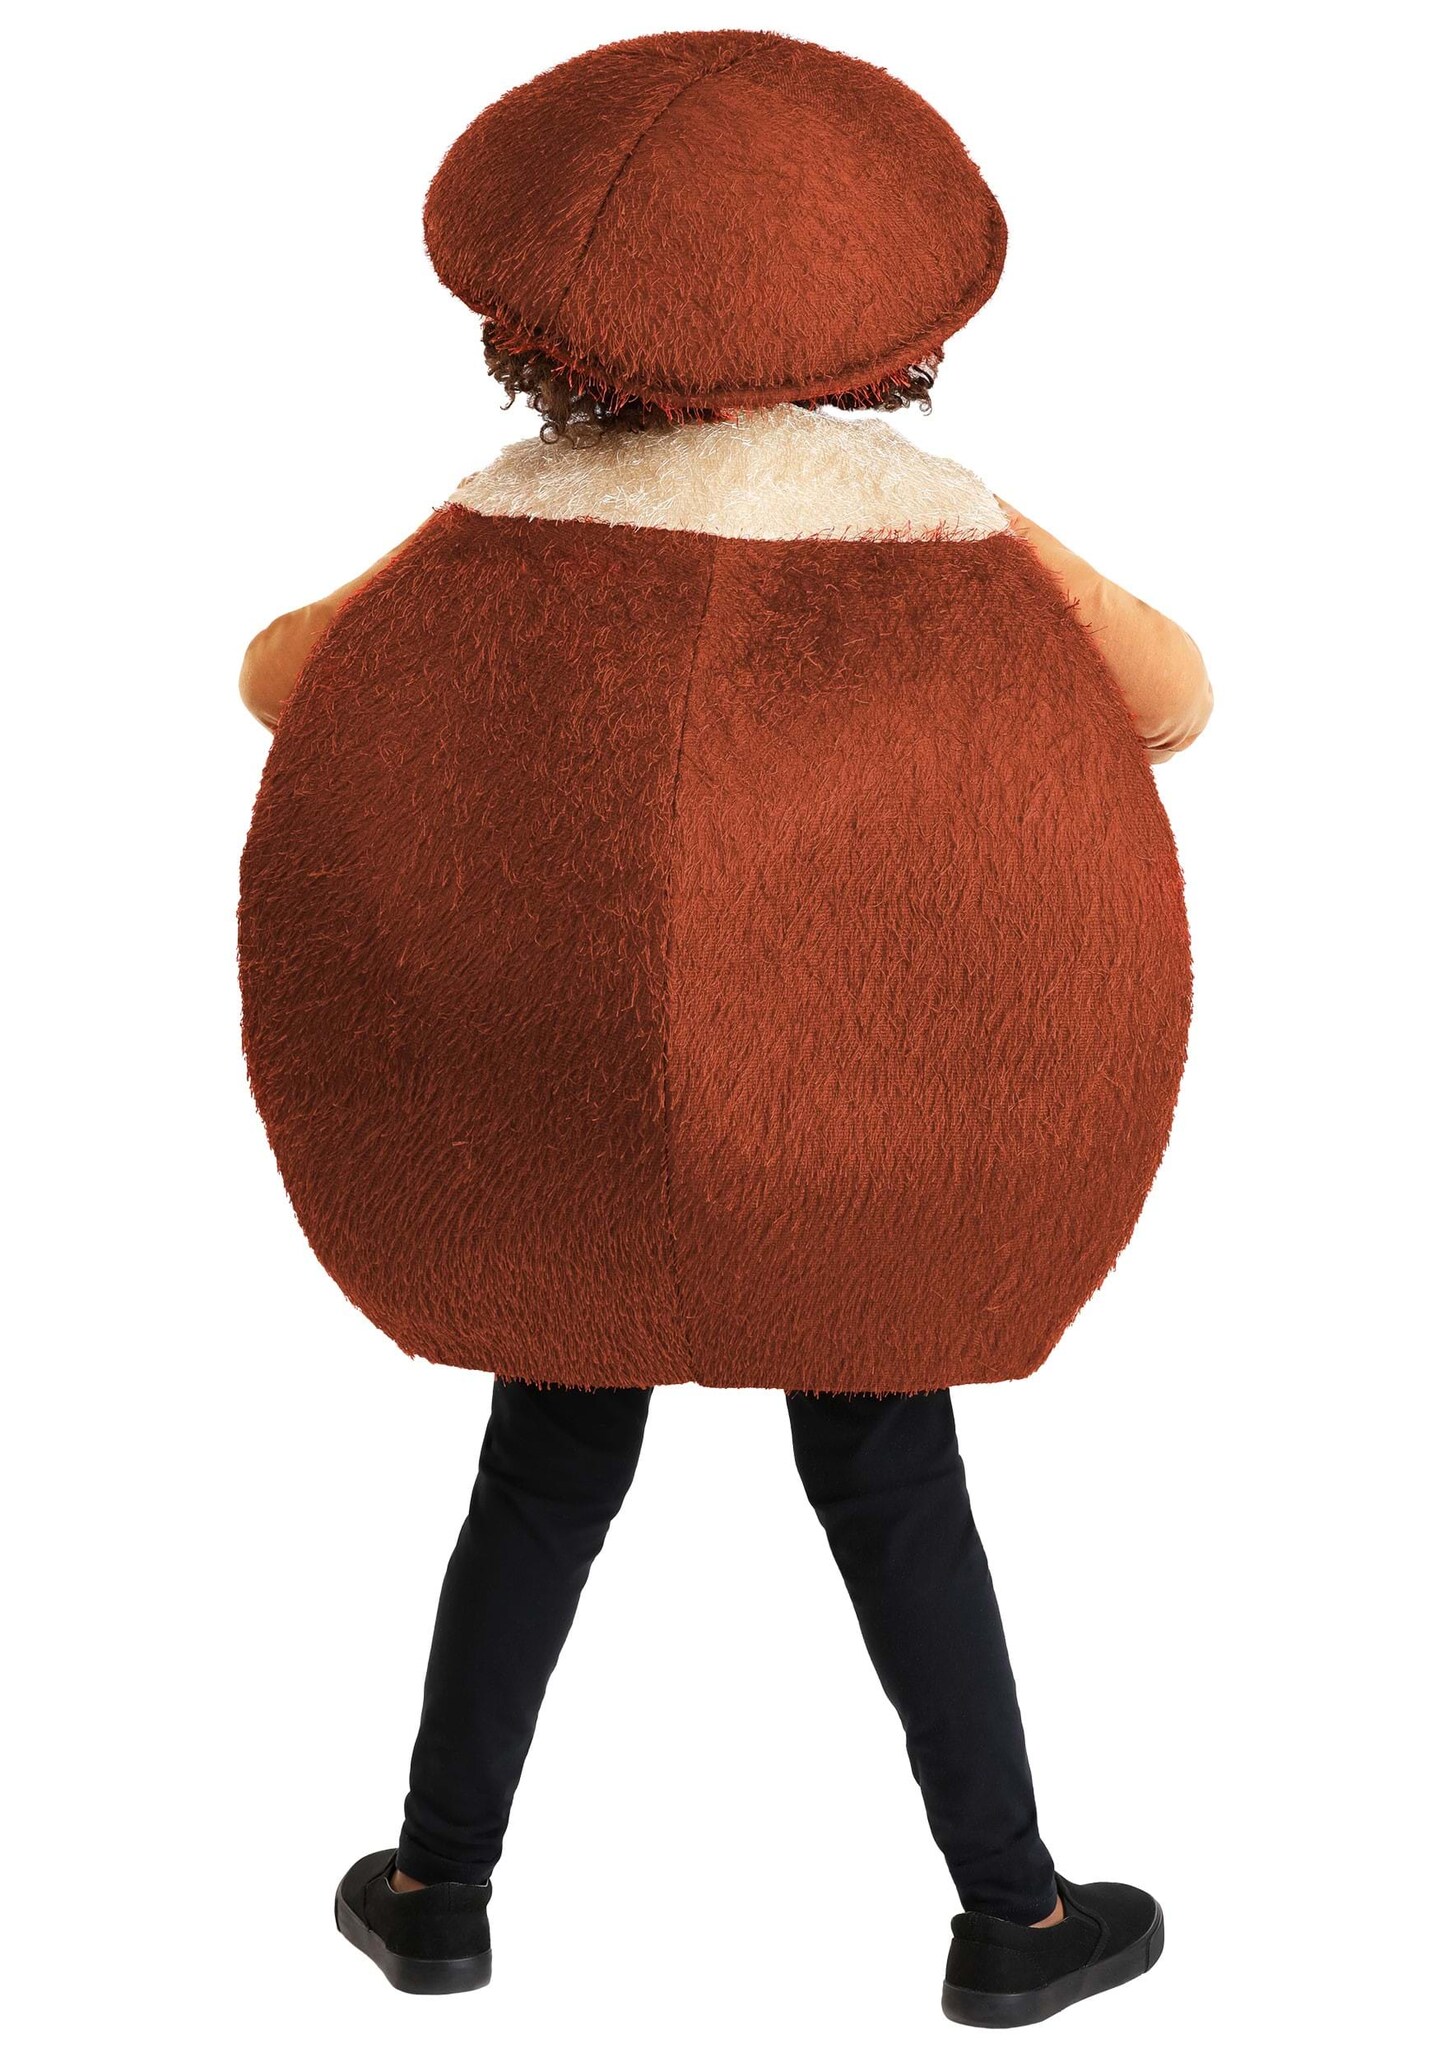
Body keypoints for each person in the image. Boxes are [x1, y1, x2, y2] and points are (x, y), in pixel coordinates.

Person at [239, 32, 1208, 2028]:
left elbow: (280, 678)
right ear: (888, 314)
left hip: (572, 1123)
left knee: (543, 1466)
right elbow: (1176, 697)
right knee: (893, 1473)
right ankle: (1014, 1916)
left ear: (547, 323)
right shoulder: (955, 532)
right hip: (862, 1135)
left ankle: (434, 1887)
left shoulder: (499, 528)